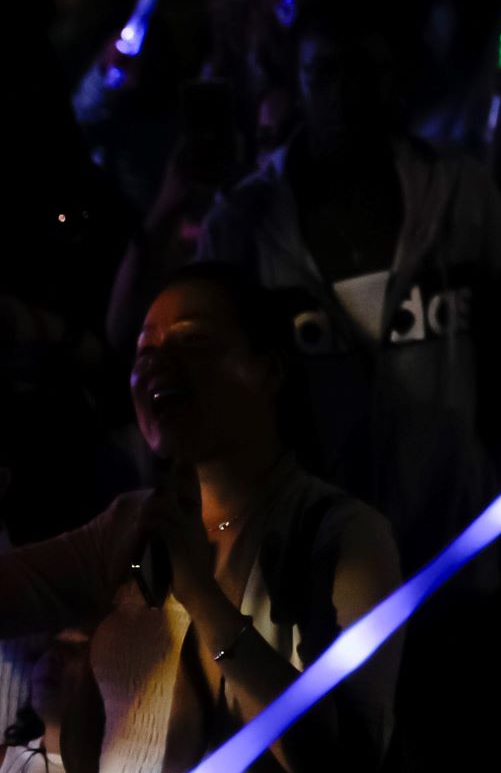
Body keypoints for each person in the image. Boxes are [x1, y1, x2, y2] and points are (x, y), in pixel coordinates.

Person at [0, 263, 405, 773]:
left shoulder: (342, 535)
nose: (156, 365)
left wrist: (203, 599)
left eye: (191, 343)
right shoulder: (129, 524)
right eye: (144, 351)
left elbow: (347, 759)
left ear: (270, 370)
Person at [166, 5, 501, 565]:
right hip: (309, 549)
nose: (344, 92)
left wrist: (486, 467)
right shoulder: (245, 221)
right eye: (325, 73)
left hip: (453, 536)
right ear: (299, 81)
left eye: (363, 72)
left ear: (396, 79)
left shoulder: (461, 196)